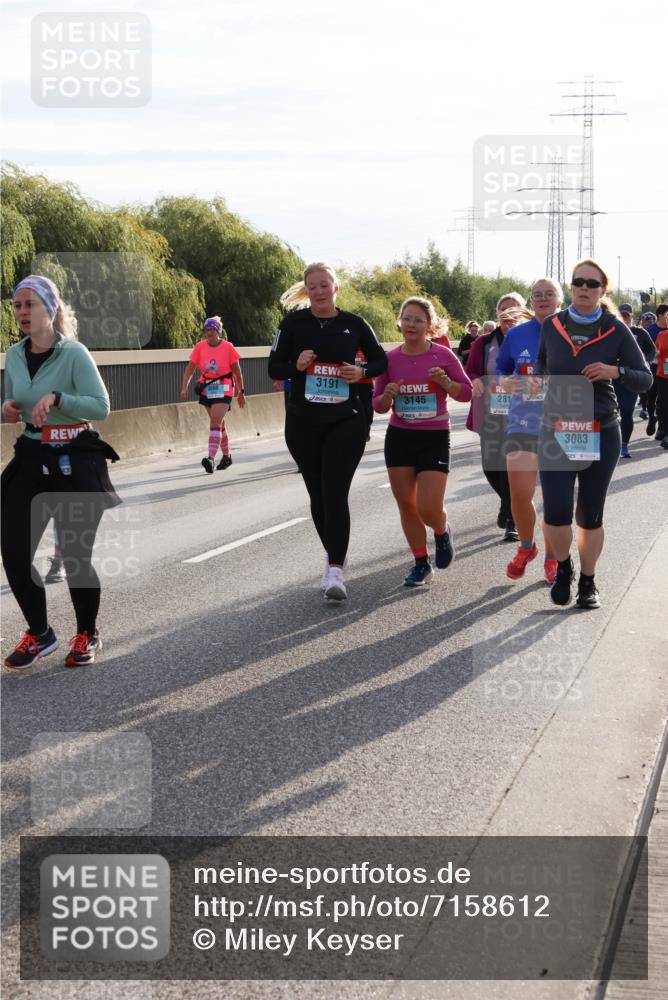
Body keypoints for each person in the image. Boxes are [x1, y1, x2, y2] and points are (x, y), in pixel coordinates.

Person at [2, 274, 121, 669]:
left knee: (74, 555)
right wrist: (8, 409)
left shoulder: (74, 353)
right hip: (32, 455)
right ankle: (40, 634)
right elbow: (12, 398)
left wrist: (59, 398)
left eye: (29, 304)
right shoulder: (15, 355)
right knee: (14, 550)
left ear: (49, 310)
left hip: (75, 456)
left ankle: (87, 631)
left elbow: (101, 406)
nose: (21, 312)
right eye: (17, 305)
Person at [532, 259, 652, 610]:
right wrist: (536, 380)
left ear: (603, 290)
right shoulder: (552, 325)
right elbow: (542, 363)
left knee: (589, 514)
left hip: (601, 427)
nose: (584, 288)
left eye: (592, 283)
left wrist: (614, 370)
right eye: (578, 282)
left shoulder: (615, 329)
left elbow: (643, 378)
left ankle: (588, 580)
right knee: (555, 512)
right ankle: (565, 567)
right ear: (571, 287)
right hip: (557, 428)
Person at [268, 262, 387, 601]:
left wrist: (360, 371)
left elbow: (380, 361)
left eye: (325, 285)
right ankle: (336, 551)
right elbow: (273, 367)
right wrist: (297, 366)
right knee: (318, 496)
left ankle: (335, 569)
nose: (319, 291)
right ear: (307, 291)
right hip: (303, 421)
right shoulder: (292, 324)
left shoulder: (354, 324)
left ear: (336, 287)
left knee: (335, 492)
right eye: (313, 286)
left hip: (345, 419)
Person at [373, 297, 472, 586]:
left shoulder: (442, 355)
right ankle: (420, 562)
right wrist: (388, 396)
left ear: (429, 325)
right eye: (407, 318)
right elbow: (377, 404)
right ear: (399, 322)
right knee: (407, 504)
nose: (411, 324)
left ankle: (441, 531)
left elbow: (465, 392)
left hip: (434, 436)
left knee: (429, 507)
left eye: (418, 319)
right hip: (400, 436)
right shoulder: (390, 359)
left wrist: (446, 384)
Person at [496, 279, 562, 582]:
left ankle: (553, 557)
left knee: (554, 497)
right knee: (520, 494)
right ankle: (526, 547)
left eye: (550, 294)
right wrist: (505, 382)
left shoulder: (570, 330)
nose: (543, 298)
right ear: (530, 301)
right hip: (522, 421)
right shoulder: (517, 334)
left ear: (560, 299)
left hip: (561, 423)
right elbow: (500, 371)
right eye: (537, 294)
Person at [466, 292, 530, 541]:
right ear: (496, 314)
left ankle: (513, 518)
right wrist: (475, 382)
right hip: (491, 411)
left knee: (511, 467)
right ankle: (506, 502)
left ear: (524, 313)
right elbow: (470, 370)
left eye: (514, 309)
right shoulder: (484, 342)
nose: (508, 314)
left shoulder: (533, 339)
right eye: (503, 309)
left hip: (523, 413)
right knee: (491, 466)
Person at [180, 316, 245, 473]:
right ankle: (227, 456)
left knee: (215, 421)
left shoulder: (228, 347)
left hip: (224, 386)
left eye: (211, 329)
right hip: (207, 387)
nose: (208, 332)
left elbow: (237, 371)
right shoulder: (200, 347)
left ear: (218, 331)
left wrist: (241, 392)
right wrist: (184, 387)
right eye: (206, 330)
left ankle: (210, 458)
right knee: (219, 424)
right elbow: (190, 369)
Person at [615, 304, 656, 457]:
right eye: (621, 316)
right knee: (609, 413)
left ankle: (624, 446)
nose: (624, 319)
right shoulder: (611, 330)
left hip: (631, 379)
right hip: (612, 379)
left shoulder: (640, 332)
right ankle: (609, 444)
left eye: (626, 316)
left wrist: (646, 362)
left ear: (632, 317)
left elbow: (651, 349)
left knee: (627, 412)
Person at [645, 305, 668, 439]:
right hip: (654, 368)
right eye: (666, 316)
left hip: (664, 368)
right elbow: (649, 350)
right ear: (660, 315)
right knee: (652, 398)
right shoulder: (652, 331)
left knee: (663, 401)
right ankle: (652, 418)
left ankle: (662, 429)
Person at [639, 311, 657, 417]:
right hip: (648, 363)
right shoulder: (640, 333)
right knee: (645, 386)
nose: (646, 324)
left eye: (649, 322)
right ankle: (645, 408)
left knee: (663, 386)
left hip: (663, 363)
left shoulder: (661, 331)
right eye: (644, 322)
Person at [654, 319, 668, 449]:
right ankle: (663, 429)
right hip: (663, 373)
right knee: (663, 403)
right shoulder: (661, 335)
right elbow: (657, 350)